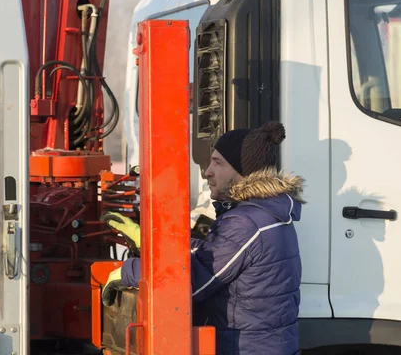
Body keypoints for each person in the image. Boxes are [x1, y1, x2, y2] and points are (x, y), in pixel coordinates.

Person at [102, 121, 305, 355]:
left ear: (243, 171)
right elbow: (211, 255)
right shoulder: (266, 214)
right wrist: (151, 244)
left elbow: (190, 284)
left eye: (218, 162)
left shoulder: (246, 223)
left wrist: (128, 271)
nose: (208, 171)